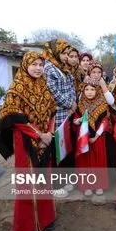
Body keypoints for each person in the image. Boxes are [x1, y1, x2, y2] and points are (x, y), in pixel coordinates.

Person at [0, 52, 56, 231]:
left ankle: (46, 220)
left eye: (40, 64)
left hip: (45, 140)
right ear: (25, 66)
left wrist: (49, 134)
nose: (38, 68)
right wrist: (40, 135)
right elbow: (15, 117)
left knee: (44, 180)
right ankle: (29, 227)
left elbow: (52, 112)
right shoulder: (17, 88)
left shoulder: (44, 86)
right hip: (25, 142)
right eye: (34, 64)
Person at [43, 39, 77, 197]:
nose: (65, 57)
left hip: (67, 115)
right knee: (56, 150)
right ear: (54, 52)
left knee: (64, 148)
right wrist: (70, 104)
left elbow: (71, 87)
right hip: (56, 117)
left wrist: (72, 104)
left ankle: (64, 181)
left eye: (66, 53)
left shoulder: (64, 69)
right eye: (63, 53)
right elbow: (53, 91)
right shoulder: (49, 69)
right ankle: (55, 185)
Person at [74, 78, 109, 196]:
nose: (89, 92)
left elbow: (105, 121)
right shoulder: (80, 105)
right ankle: (86, 186)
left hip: (98, 138)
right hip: (84, 138)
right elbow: (74, 120)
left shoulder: (102, 104)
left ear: (97, 90)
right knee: (85, 161)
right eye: (86, 89)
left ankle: (99, 185)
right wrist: (79, 121)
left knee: (99, 160)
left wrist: (96, 136)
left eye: (92, 89)